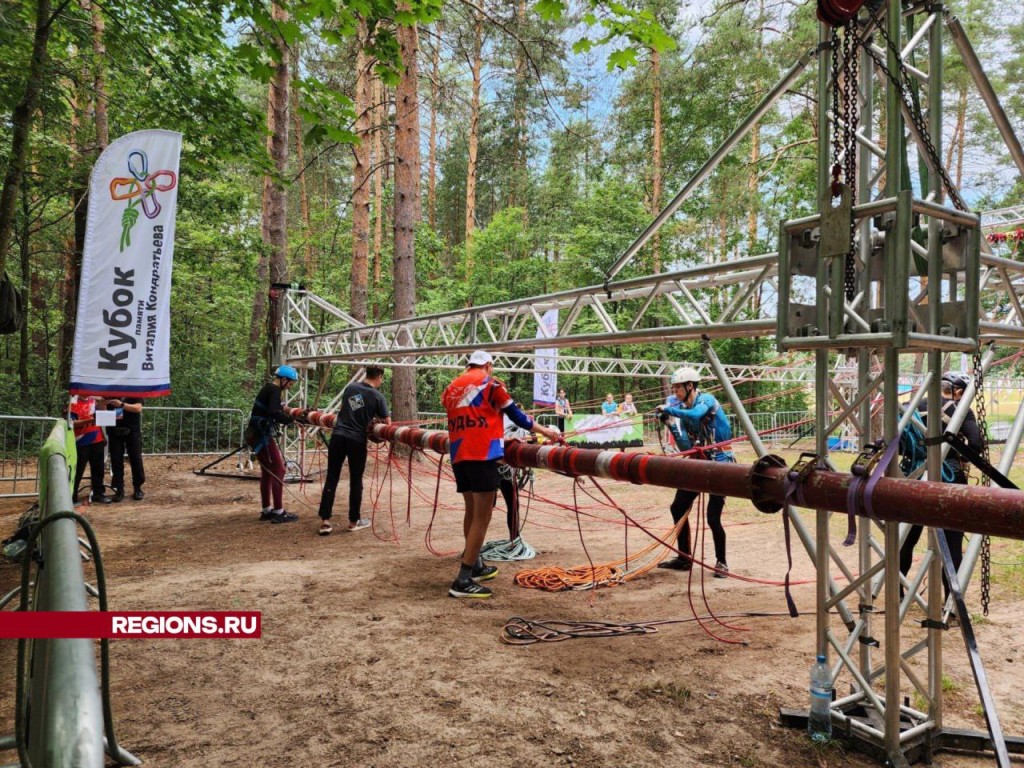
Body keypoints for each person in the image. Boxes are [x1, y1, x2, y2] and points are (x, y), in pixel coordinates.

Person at [442, 351, 561, 598]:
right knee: (482, 516)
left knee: (471, 511)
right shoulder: (491, 384)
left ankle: (475, 564)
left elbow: (471, 418)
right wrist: (547, 433)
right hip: (482, 455)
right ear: (488, 365)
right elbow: (517, 416)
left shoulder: (452, 387)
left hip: (459, 454)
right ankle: (463, 579)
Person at [899, 371, 981, 598]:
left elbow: (898, 444)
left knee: (906, 538)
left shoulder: (910, 407)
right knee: (952, 542)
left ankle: (897, 594)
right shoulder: (960, 410)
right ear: (957, 391)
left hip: (912, 478)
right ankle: (951, 603)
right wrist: (958, 454)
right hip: (950, 478)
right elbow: (976, 444)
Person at [655, 367, 735, 577]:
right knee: (678, 507)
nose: (675, 392)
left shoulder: (706, 400)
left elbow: (697, 414)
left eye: (678, 387)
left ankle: (722, 562)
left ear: (690, 386)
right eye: (673, 388)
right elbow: (686, 446)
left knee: (712, 517)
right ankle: (684, 558)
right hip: (700, 462)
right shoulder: (684, 411)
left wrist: (670, 410)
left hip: (721, 462)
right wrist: (671, 424)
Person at [317, 365, 391, 536]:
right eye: (382, 379)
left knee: (332, 477)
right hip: (356, 440)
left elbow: (351, 409)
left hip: (338, 436)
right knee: (356, 480)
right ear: (379, 376)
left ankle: (325, 522)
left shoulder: (352, 388)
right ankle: (353, 521)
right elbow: (388, 423)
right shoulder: (377, 396)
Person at [247, 365, 300, 524]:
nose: (290, 387)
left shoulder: (269, 389)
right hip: (261, 434)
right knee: (279, 469)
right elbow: (273, 412)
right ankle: (279, 511)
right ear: (284, 380)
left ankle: (266, 510)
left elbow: (276, 408)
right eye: (290, 384)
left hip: (255, 433)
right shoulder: (275, 390)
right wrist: (291, 420)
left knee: (267, 472)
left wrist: (287, 413)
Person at [68, 395, 111, 504]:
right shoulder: (72, 402)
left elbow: (102, 419)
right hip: (80, 442)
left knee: (98, 469)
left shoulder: (94, 401)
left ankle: (98, 494)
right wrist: (89, 420)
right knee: (77, 471)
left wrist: (104, 405)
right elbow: (71, 423)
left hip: (97, 440)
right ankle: (71, 496)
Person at [105, 397, 145, 501]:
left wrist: (121, 405)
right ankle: (119, 489)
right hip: (114, 429)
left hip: (132, 430)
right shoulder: (109, 391)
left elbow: (137, 408)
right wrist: (103, 402)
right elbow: (101, 406)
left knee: (136, 459)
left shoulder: (134, 390)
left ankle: (137, 488)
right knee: (116, 459)